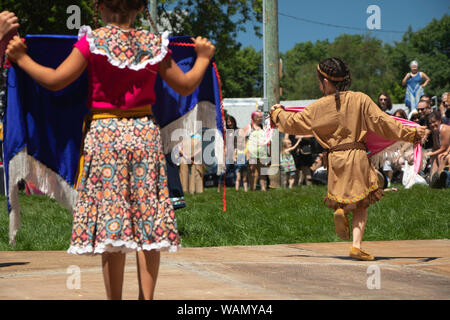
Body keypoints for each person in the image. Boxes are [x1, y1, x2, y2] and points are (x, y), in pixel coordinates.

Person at [6, 0, 215, 300]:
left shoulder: (92, 42)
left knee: (111, 225)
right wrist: (204, 57)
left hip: (105, 137)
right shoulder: (154, 44)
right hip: (144, 133)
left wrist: (22, 58)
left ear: (99, 7)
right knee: (149, 222)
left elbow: (56, 81)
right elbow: (185, 86)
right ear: (142, 9)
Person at [270, 57, 426, 261]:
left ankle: (344, 209)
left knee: (347, 196)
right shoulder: (360, 99)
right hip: (357, 154)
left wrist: (276, 113)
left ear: (325, 82)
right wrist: (411, 133)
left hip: (335, 159)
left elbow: (294, 122)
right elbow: (383, 123)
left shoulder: (318, 107)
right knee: (363, 202)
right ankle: (355, 243)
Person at [426, 110, 450, 187]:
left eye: (434, 122)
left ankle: (439, 177)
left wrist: (430, 153)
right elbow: (436, 147)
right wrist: (432, 154)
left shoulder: (444, 129)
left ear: (439, 121)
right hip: (446, 150)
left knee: (442, 157)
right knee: (435, 157)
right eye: (430, 123)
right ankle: (432, 179)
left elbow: (443, 148)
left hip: (447, 150)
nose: (432, 124)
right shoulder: (434, 133)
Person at [247, 110, 269, 191]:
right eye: (258, 117)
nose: (260, 118)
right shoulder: (249, 127)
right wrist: (247, 152)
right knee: (252, 170)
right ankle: (252, 187)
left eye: (261, 117)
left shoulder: (264, 127)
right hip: (252, 152)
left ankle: (263, 188)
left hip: (262, 152)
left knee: (262, 171)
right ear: (253, 118)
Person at [218, 115, 237, 192]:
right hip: (228, 154)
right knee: (224, 171)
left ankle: (237, 187)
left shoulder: (237, 131)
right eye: (228, 122)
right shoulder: (225, 133)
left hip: (236, 153)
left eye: (231, 121)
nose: (230, 123)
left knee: (237, 172)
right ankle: (219, 187)